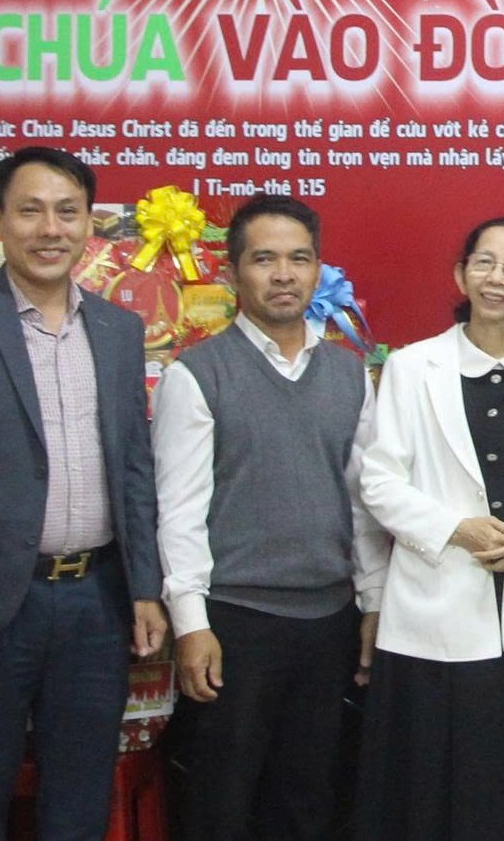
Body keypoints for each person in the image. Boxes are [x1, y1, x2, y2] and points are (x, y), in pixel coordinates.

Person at [0, 147, 167, 841]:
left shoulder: (119, 330)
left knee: (80, 799)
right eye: (31, 211)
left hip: (96, 602)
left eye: (67, 212)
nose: (50, 229)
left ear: (89, 223)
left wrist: (144, 587)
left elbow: (134, 467)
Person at [152, 194, 382, 841]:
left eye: (299, 259)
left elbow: (363, 503)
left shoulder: (349, 374)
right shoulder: (196, 375)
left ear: (317, 271)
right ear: (233, 273)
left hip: (328, 622)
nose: (283, 274)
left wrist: (373, 602)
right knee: (221, 804)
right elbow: (179, 511)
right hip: (235, 623)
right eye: (264, 259)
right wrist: (191, 624)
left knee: (308, 803)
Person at [356, 217, 504, 838]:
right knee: (431, 796)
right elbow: (379, 480)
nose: (497, 278)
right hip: (434, 618)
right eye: (484, 262)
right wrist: (453, 528)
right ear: (461, 275)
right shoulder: (412, 367)